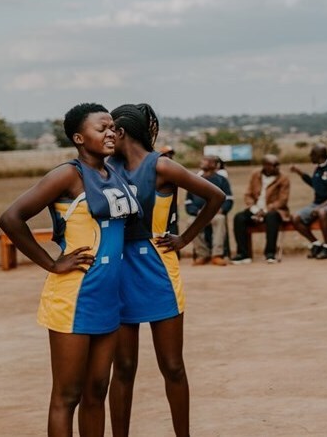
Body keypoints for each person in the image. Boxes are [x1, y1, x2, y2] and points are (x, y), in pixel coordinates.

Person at [0, 103, 139, 437]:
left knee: (95, 393)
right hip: (75, 296)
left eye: (112, 127)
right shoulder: (68, 174)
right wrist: (51, 262)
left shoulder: (113, 173)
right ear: (78, 137)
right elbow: (10, 218)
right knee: (67, 395)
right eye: (101, 128)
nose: (110, 133)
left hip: (109, 297)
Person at [107, 104, 226, 437]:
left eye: (108, 130)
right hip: (118, 274)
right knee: (124, 369)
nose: (105, 136)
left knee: (172, 367)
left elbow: (215, 196)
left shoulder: (161, 166)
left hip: (158, 272)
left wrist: (185, 238)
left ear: (121, 131)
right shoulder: (105, 169)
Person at [231, 155, 291, 264]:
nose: (278, 167)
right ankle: (244, 254)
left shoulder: (283, 178)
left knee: (271, 217)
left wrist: (266, 210)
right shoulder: (255, 174)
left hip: (274, 210)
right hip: (256, 209)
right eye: (275, 165)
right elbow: (248, 195)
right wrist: (254, 209)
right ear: (265, 166)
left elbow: (283, 200)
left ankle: (270, 253)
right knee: (239, 217)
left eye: (278, 165)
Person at [289, 144, 327, 260]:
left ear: (319, 155)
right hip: (316, 204)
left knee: (322, 212)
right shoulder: (318, 169)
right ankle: (316, 244)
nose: (309, 156)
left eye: (311, 154)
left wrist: (321, 207)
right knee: (295, 217)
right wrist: (300, 173)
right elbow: (314, 184)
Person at [186, 155, 234, 265]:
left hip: (215, 214)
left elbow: (229, 199)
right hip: (198, 214)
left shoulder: (221, 180)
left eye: (207, 161)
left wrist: (221, 210)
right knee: (190, 222)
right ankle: (203, 254)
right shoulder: (194, 179)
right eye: (202, 160)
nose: (203, 162)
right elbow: (188, 202)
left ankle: (217, 255)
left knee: (220, 219)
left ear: (214, 165)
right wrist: (196, 211)